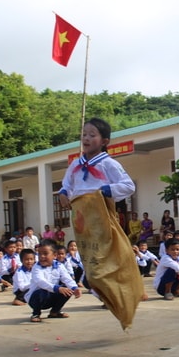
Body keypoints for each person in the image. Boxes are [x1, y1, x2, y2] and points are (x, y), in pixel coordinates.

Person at [58, 117, 144, 331]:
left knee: (110, 258)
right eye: (84, 134)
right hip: (81, 219)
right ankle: (109, 293)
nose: (86, 138)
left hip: (101, 214)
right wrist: (62, 193)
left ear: (104, 140)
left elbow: (128, 186)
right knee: (91, 263)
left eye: (92, 134)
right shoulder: (75, 164)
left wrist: (106, 191)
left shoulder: (109, 164)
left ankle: (126, 293)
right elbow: (67, 184)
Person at [25, 242, 82, 323]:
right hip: (36, 299)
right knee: (43, 290)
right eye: (39, 254)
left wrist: (75, 288)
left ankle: (55, 311)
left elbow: (67, 278)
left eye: (45, 254)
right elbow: (41, 282)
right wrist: (57, 288)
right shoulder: (36, 267)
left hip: (51, 296)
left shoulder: (59, 266)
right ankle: (36, 313)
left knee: (68, 290)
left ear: (54, 255)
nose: (42, 256)